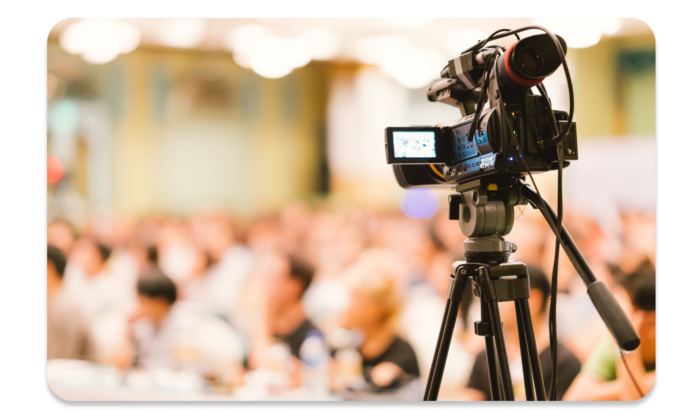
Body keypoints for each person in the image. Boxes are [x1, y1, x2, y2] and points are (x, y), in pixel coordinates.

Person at [464, 266, 581, 401]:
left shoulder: (563, 362)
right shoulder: (487, 355)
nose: (492, 302)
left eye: (501, 294)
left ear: (533, 300)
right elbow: (470, 395)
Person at [563, 264, 657, 401]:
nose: (612, 316)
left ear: (652, 322)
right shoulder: (610, 344)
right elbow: (574, 398)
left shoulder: (622, 346)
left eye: (622, 309)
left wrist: (628, 348)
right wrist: (643, 382)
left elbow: (633, 399)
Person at [338, 251, 420, 393]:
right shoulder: (349, 345)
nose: (347, 308)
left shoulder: (403, 354)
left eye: (354, 300)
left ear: (375, 308)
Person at [248, 253, 322, 368]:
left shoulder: (311, 338)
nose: (264, 285)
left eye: (272, 279)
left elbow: (263, 367)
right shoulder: (267, 324)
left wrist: (263, 317)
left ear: (295, 286)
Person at [46, 245, 97, 361]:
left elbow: (58, 360)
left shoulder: (65, 308)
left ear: (49, 269)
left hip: (79, 375)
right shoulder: (55, 301)